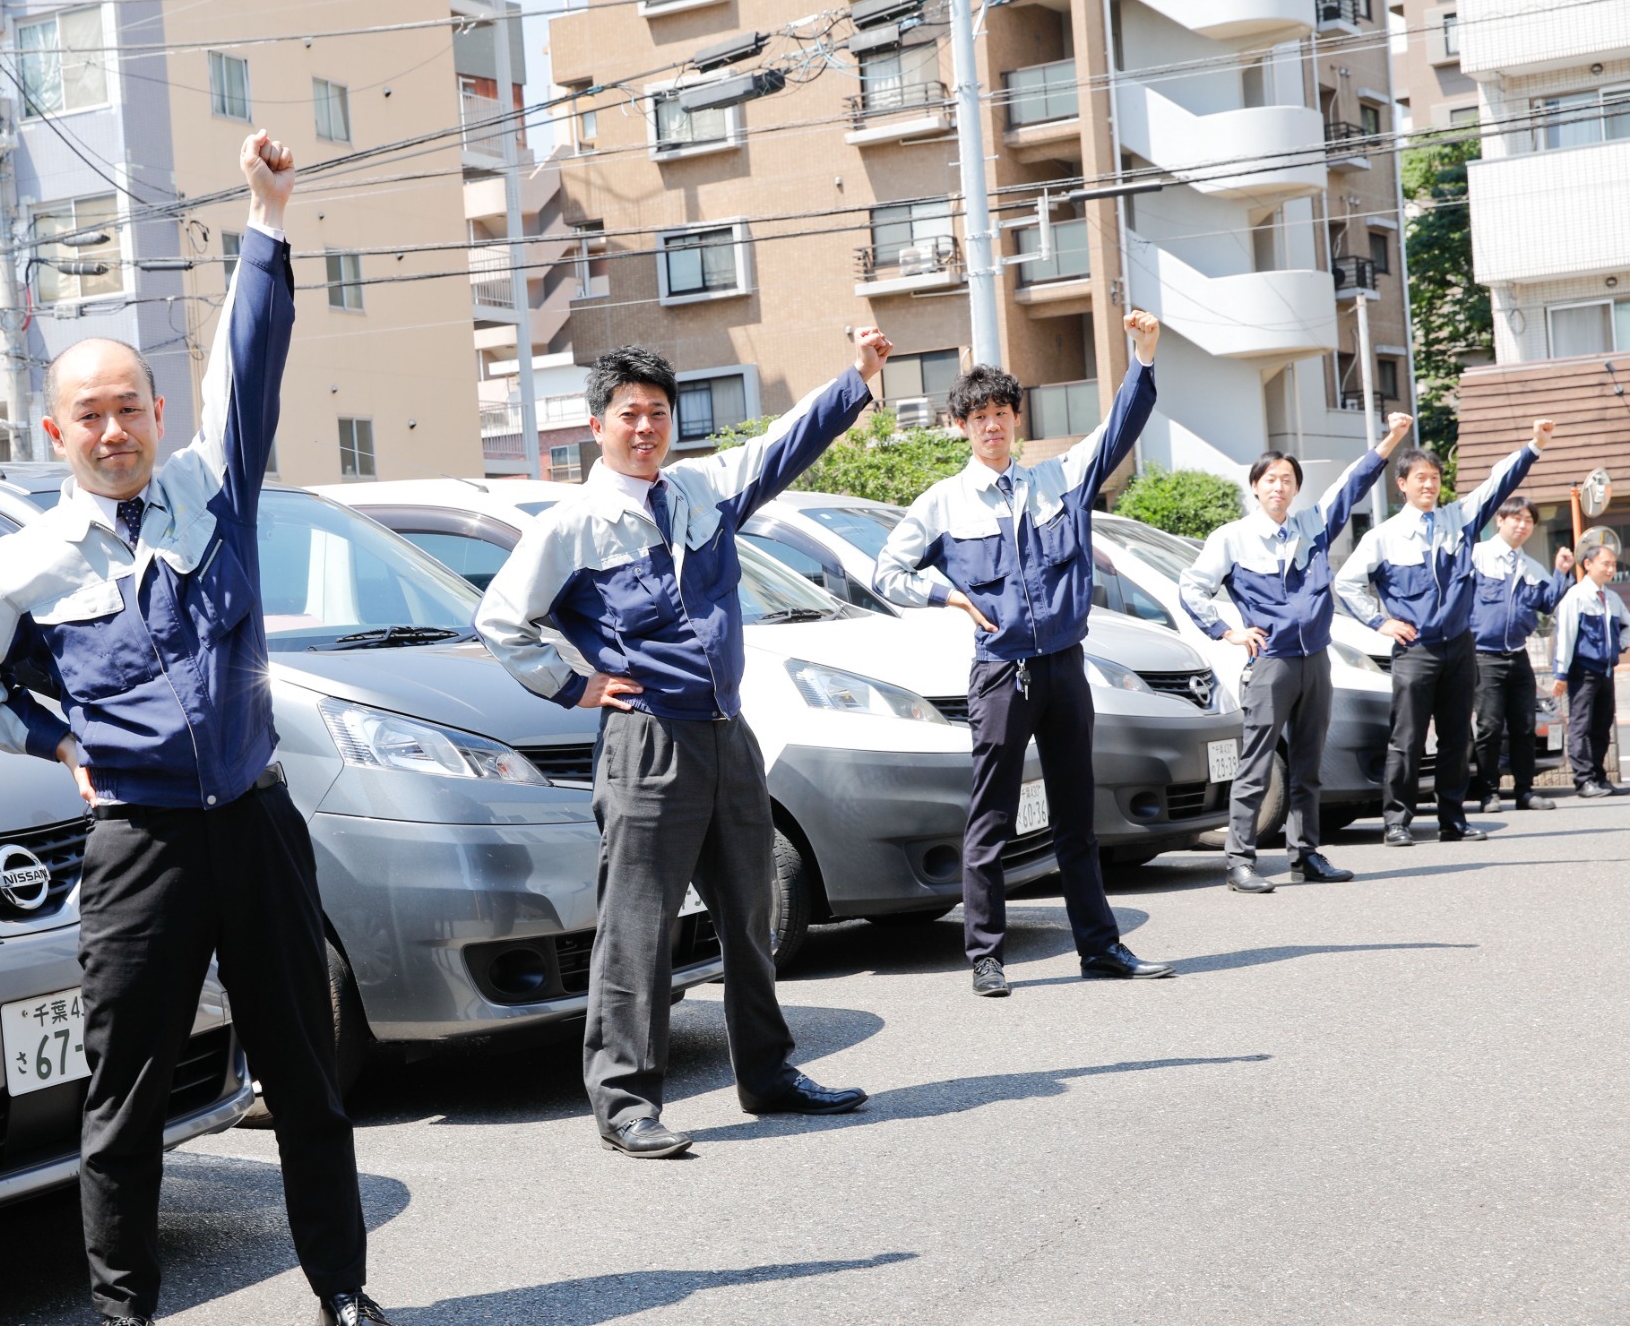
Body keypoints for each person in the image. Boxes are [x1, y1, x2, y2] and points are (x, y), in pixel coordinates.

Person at [0, 133, 391, 1326]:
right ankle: (126, 1308)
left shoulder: (211, 488)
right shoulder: (16, 565)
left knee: (302, 1072)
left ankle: (342, 1289)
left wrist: (265, 215)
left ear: (156, 412)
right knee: (124, 1093)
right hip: (139, 846)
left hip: (256, 822)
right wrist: (61, 747)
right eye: (89, 414)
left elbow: (253, 354)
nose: (113, 429)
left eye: (129, 406)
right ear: (55, 434)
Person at [476, 335, 887, 1159]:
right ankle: (626, 1100)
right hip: (647, 739)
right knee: (638, 926)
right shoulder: (574, 523)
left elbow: (779, 449)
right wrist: (575, 685)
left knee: (751, 910)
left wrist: (858, 383)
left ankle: (768, 1073)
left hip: (726, 732)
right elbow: (500, 619)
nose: (645, 428)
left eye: (657, 413)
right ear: (598, 425)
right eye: (629, 414)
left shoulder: (698, 490)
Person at [872, 311, 1175, 998]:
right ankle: (985, 954)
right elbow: (885, 570)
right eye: (979, 416)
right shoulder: (944, 502)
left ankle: (1099, 947)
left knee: (1077, 814)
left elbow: (1121, 425)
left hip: (1065, 667)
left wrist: (1144, 355)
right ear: (961, 427)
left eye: (1004, 412)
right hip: (1000, 674)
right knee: (993, 815)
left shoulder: (1059, 477)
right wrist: (943, 596)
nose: (993, 425)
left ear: (1017, 421)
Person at [1179, 413, 1413, 893]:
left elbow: (1355, 481)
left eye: (1287, 480)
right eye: (1270, 480)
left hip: (1316, 660)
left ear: (1296, 489)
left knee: (1308, 763)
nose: (1278, 487)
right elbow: (1192, 588)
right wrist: (1227, 632)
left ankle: (1304, 854)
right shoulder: (1232, 537)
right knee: (1256, 763)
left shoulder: (1313, 525)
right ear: (1255, 486)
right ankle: (1239, 861)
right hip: (1271, 663)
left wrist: (1392, 440)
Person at [1334, 420, 1554, 847]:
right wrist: (1381, 622)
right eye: (1421, 479)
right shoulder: (1384, 537)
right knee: (1407, 739)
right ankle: (1396, 821)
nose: (1430, 485)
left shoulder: (1459, 518)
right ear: (1402, 485)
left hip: (1459, 647)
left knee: (1458, 737)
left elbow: (1496, 483)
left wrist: (1533, 446)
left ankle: (1453, 820)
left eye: (1435, 479)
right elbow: (1345, 582)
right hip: (1415, 650)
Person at [1469, 497, 1576, 814]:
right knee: (1489, 727)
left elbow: (1547, 604)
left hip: (1518, 654)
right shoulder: (1477, 556)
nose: (1522, 524)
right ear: (1499, 520)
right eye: (1516, 518)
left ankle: (1525, 791)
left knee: (1524, 726)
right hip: (1482, 655)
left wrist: (1561, 572)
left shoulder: (1533, 567)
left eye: (1528, 520)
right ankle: (1489, 793)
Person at [1552, 542, 1629, 797]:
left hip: (1605, 670)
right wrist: (1560, 673)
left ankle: (1598, 775)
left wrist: (1621, 644)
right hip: (1582, 670)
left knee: (1602, 724)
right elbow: (1566, 635)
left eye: (1613, 564)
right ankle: (1583, 779)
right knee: (1581, 724)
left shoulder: (1612, 597)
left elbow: (1626, 625)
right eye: (1605, 563)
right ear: (1588, 564)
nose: (1610, 569)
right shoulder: (1576, 595)